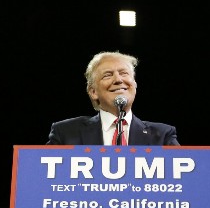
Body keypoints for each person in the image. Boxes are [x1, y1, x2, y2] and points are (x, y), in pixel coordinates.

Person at [45, 51, 179, 146]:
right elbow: (42, 177)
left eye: (124, 73)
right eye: (107, 75)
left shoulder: (162, 136)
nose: (118, 79)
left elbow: (186, 182)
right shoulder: (65, 133)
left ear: (134, 85)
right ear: (93, 92)